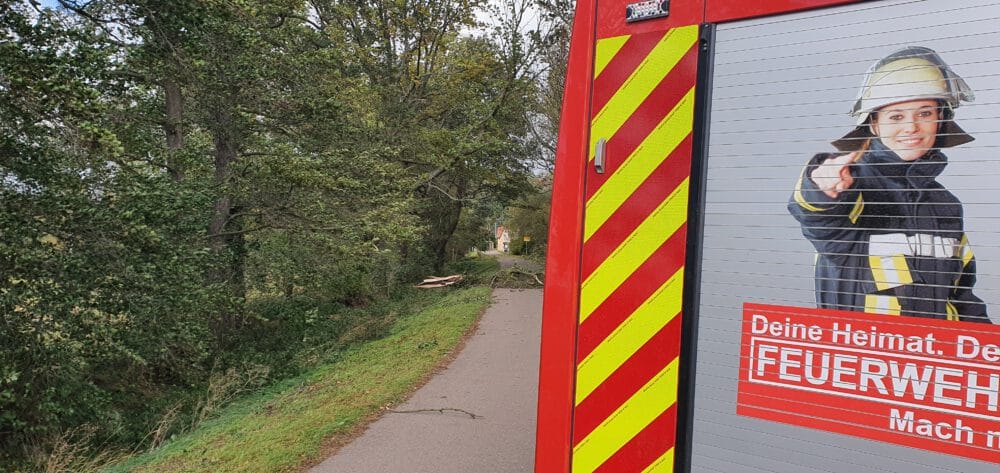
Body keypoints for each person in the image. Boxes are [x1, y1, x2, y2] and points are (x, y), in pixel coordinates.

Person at [788, 46, 990, 323]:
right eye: (896, 116)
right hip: (864, 347)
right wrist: (822, 190)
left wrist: (983, 343)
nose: (911, 127)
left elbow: (961, 297)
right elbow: (820, 220)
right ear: (873, 124)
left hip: (931, 349)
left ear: (940, 119)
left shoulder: (946, 204)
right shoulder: (854, 186)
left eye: (925, 114)